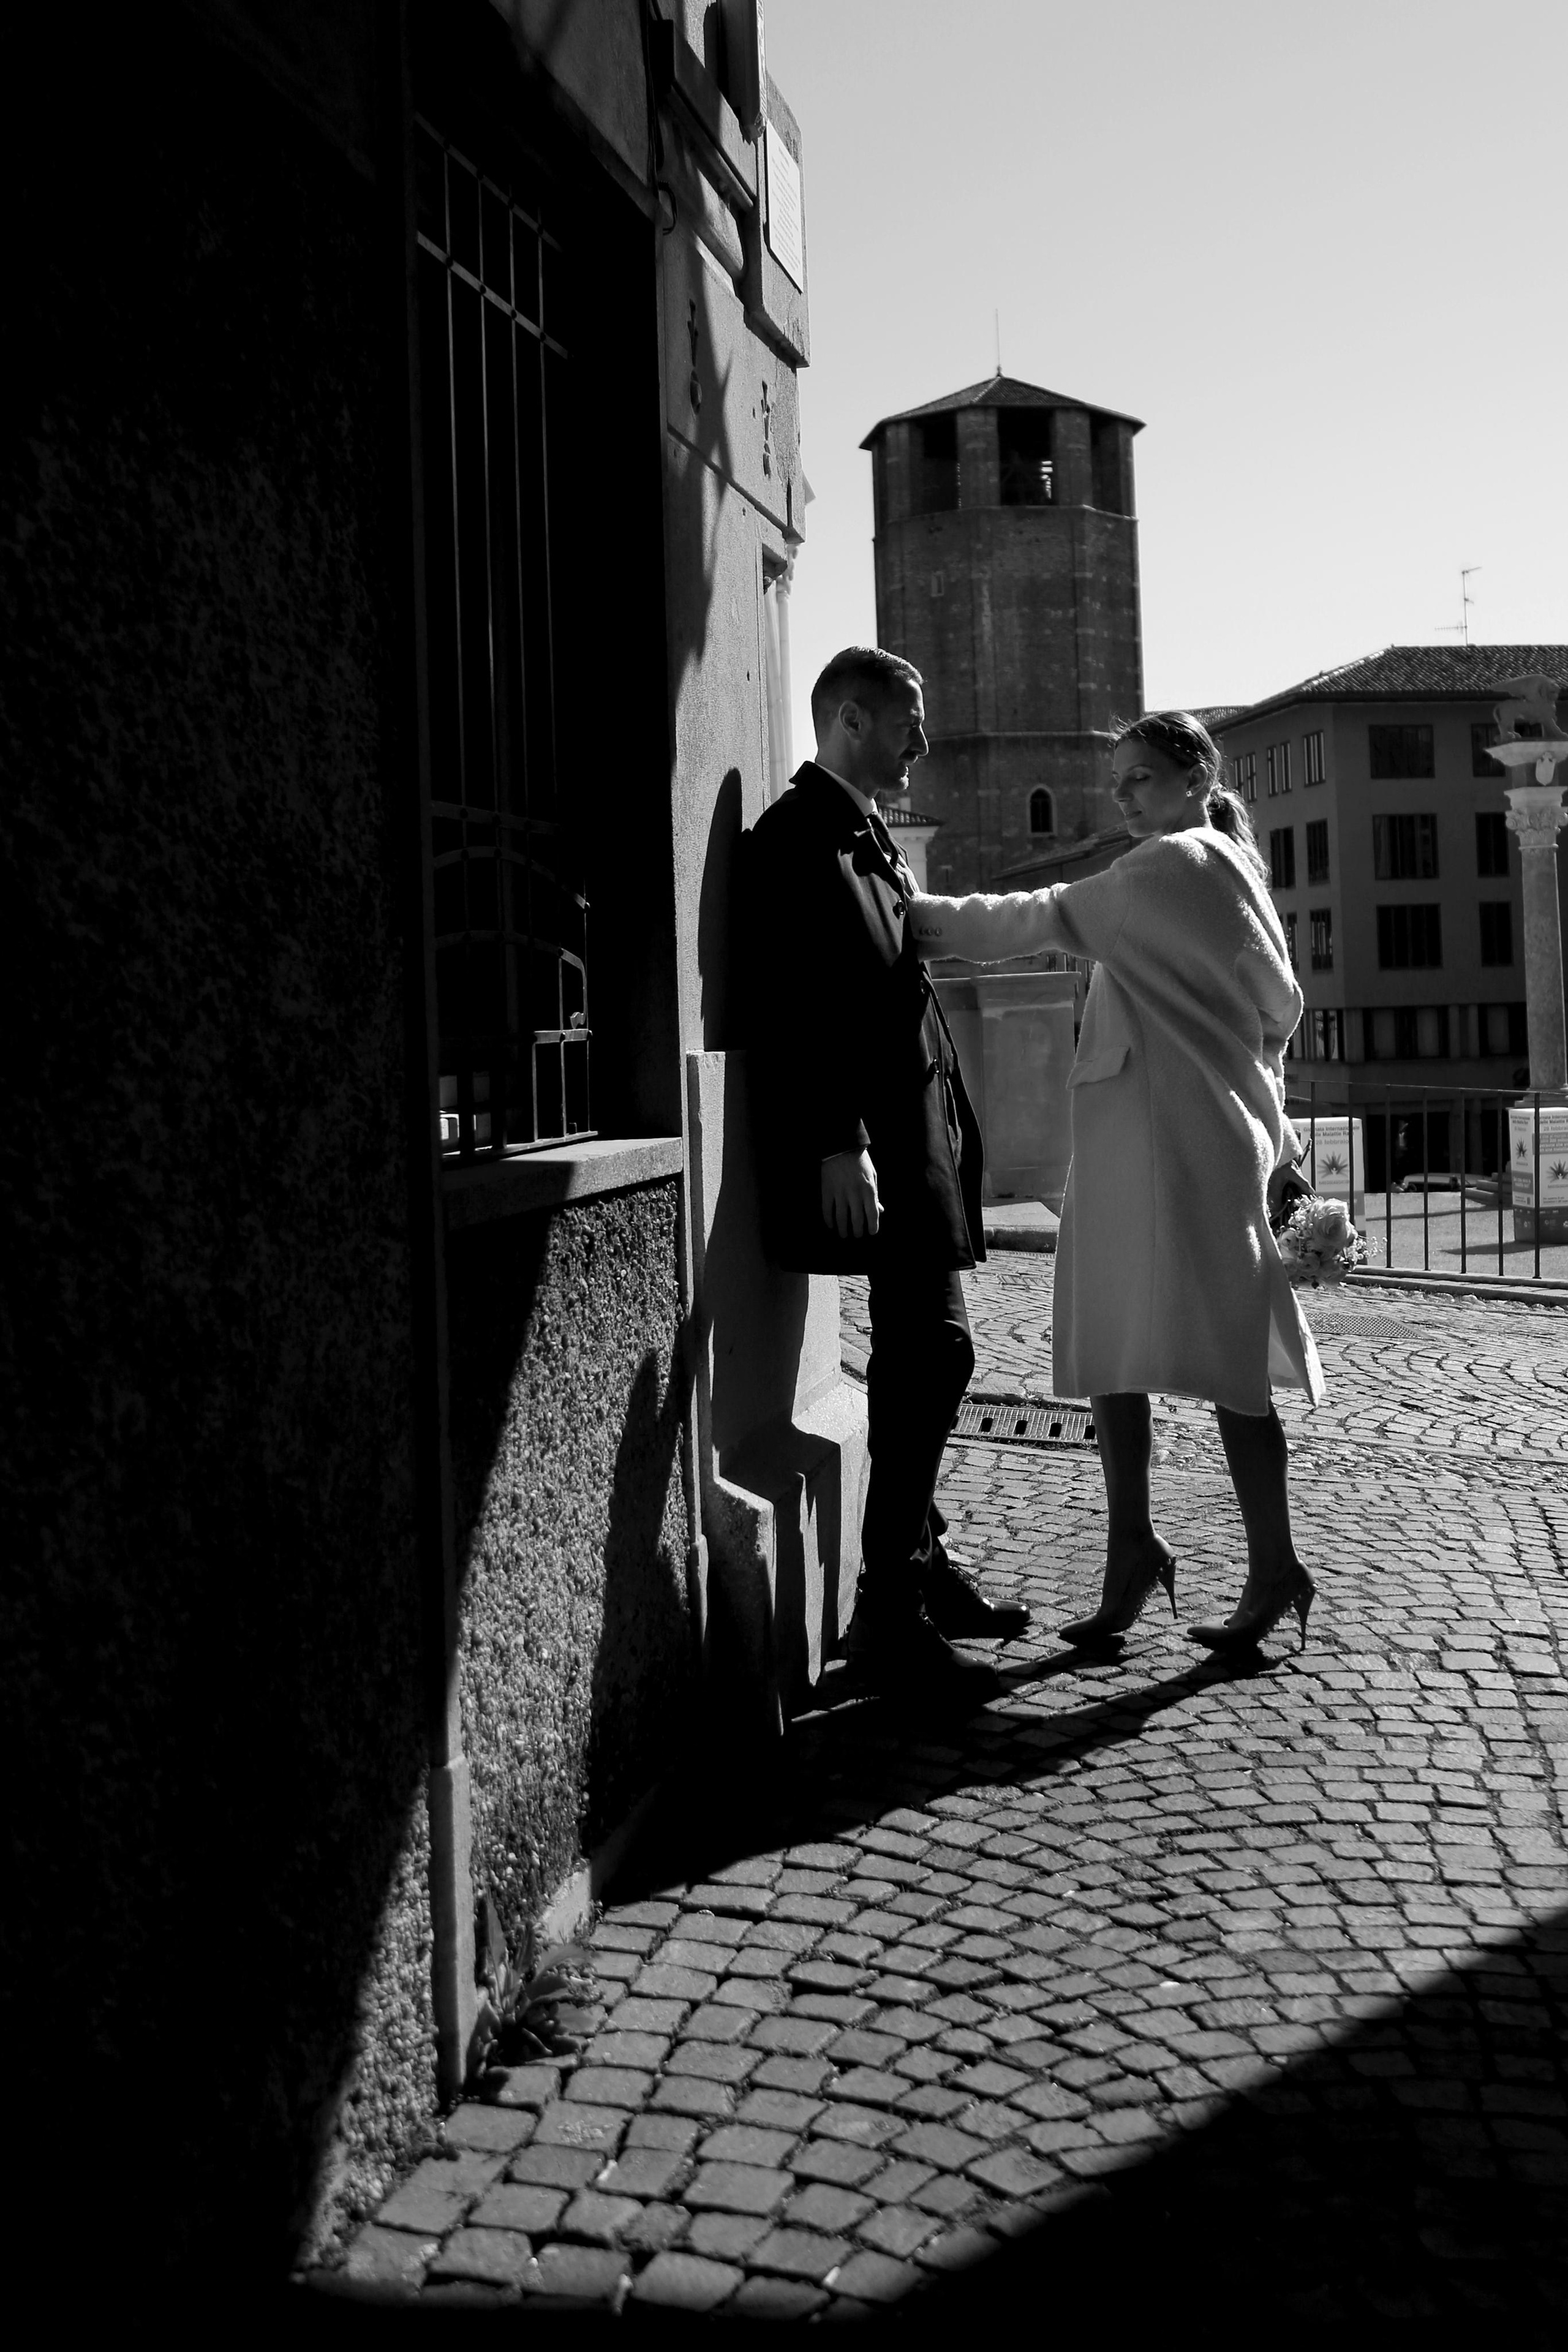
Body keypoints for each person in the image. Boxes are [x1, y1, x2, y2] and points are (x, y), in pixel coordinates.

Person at [910, 710, 1322, 1653]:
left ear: (1194, 777)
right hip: (1168, 1139)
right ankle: (1161, 1552)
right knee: (1144, 1350)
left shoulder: (1176, 865)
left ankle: (1250, 1564)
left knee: (1196, 1356)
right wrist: (1261, 1109)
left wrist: (908, 917)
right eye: (1119, 781)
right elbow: (1282, 1007)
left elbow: (1041, 917)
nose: (1125, 795)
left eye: (1142, 777)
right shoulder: (1231, 872)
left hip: (1167, 1143)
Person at [742, 647, 1030, 1698]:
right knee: (938, 1353)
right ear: (853, 721)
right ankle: (889, 1607)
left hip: (912, 1142)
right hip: (867, 1147)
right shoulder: (796, 839)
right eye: (909, 721)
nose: (922, 741)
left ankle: (918, 1563)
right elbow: (793, 1004)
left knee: (935, 1355)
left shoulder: (862, 835)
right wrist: (837, 1139)